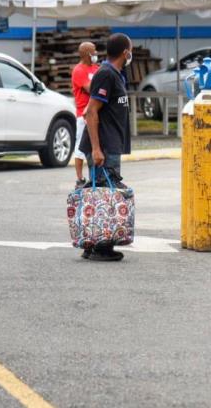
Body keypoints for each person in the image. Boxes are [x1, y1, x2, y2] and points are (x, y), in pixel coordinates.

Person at [79, 33, 133, 262]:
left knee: (99, 194)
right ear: (125, 52)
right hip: (104, 147)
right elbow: (91, 111)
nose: (132, 54)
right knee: (105, 196)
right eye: (130, 50)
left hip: (110, 144)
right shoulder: (106, 74)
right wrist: (97, 149)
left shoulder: (116, 74)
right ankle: (101, 247)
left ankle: (92, 244)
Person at [72, 41, 99, 188]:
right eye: (93, 51)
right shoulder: (79, 70)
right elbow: (91, 89)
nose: (95, 54)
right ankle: (80, 178)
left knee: (96, 146)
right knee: (81, 147)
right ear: (86, 54)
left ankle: (95, 176)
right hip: (83, 115)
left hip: (96, 113)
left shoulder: (96, 68)